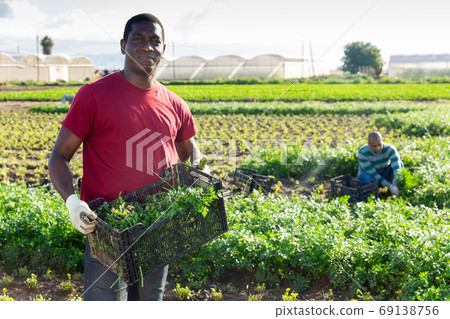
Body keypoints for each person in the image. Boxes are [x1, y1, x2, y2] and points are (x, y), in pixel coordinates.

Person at [48, 13, 207, 301]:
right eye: (138, 39)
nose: (147, 47)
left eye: (154, 41)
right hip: (106, 228)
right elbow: (59, 155)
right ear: (123, 45)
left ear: (164, 49)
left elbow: (192, 154)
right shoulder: (93, 96)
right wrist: (73, 202)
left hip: (158, 230)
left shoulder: (175, 104)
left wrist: (199, 181)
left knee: (148, 303)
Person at [357, 131, 402, 196]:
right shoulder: (363, 153)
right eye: (374, 146)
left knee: (400, 163)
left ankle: (393, 191)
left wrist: (394, 186)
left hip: (384, 173)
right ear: (369, 144)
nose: (377, 148)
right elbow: (374, 174)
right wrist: (389, 186)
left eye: (379, 144)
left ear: (382, 140)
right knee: (364, 177)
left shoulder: (390, 149)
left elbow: (397, 168)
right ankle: (373, 191)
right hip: (370, 176)